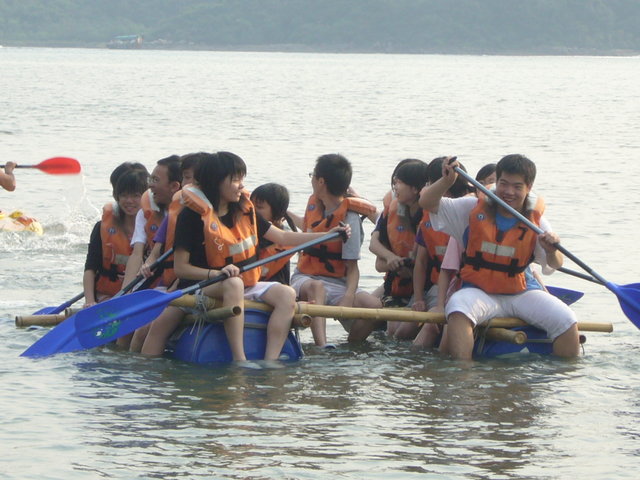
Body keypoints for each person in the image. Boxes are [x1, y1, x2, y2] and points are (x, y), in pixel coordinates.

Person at [140, 151, 349, 362]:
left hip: (243, 284)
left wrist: (328, 235)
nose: (241, 186)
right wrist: (216, 274)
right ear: (216, 181)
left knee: (286, 294)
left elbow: (283, 236)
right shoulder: (191, 216)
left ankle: (270, 361)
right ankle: (239, 359)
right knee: (233, 285)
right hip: (202, 285)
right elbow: (181, 268)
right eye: (235, 180)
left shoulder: (244, 209)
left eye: (242, 179)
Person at [419, 154, 580, 361]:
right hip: (479, 291)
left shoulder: (536, 221)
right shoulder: (470, 208)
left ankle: (563, 372)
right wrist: (446, 181)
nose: (509, 192)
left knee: (566, 319)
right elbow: (427, 202)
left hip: (521, 292)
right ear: (497, 183)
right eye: (503, 184)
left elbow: (555, 264)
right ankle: (463, 373)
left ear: (529, 187)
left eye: (517, 186)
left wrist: (551, 250)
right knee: (458, 308)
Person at [290, 153, 382, 347]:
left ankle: (352, 345)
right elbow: (309, 230)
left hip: (338, 282)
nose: (311, 180)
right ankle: (322, 346)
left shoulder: (350, 218)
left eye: (312, 176)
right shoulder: (315, 205)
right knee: (317, 287)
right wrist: (285, 213)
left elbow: (352, 267)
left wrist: (348, 297)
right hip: (305, 277)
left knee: (373, 306)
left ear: (321, 182)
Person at [368, 159, 429, 338]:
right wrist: (391, 258)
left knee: (395, 328)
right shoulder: (393, 209)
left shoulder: (429, 215)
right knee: (362, 305)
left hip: (422, 286)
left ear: (415, 189)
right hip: (396, 283)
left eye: (399, 183)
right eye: (394, 182)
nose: (395, 187)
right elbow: (374, 245)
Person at [82, 165, 149, 307]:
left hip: (142, 294)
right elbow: (90, 268)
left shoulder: (154, 228)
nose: (129, 201)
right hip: (107, 295)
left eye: (136, 196)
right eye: (124, 195)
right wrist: (89, 301)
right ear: (117, 196)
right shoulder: (101, 227)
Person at [121, 155, 182, 289]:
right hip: (156, 280)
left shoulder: (191, 214)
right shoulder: (145, 213)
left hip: (181, 282)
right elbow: (137, 254)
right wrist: (125, 291)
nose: (150, 185)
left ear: (174, 186)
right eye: (151, 179)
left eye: (156, 180)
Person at [250, 183, 297, 285]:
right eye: (251, 205)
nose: (252, 211)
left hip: (275, 286)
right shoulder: (246, 231)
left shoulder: (281, 238)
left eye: (259, 207)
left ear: (276, 214)